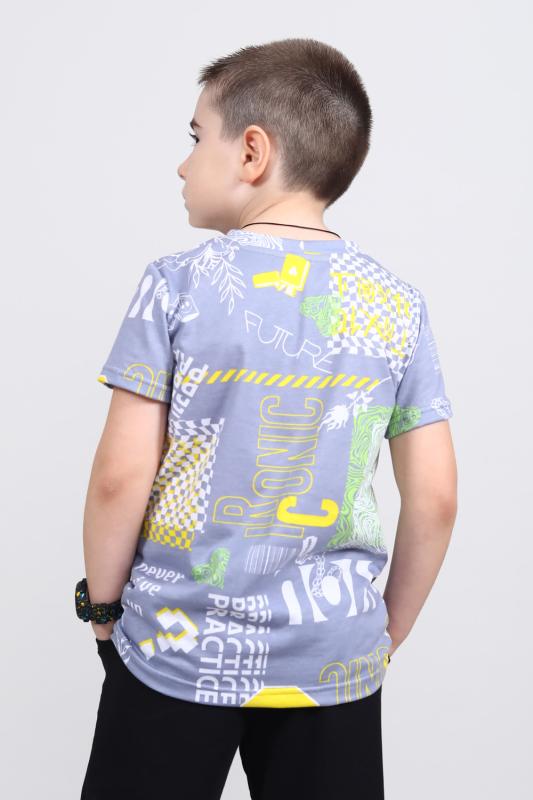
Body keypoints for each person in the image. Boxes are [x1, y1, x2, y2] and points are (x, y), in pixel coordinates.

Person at [78, 37, 458, 800]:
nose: (183, 164)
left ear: (251, 152)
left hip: (176, 645)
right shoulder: (395, 305)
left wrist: (104, 607)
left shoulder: (176, 286)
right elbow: (436, 499)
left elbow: (121, 478)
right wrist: (380, 634)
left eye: (196, 137)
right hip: (333, 657)